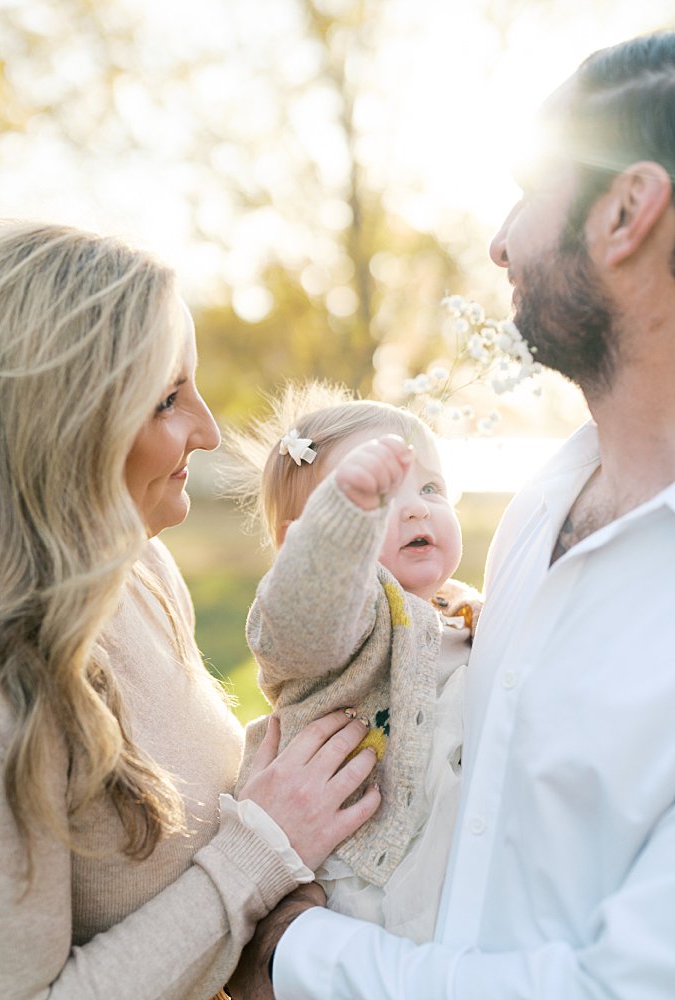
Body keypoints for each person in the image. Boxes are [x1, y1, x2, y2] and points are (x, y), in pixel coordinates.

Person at [228, 29, 675, 999]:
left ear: (628, 211)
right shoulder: (541, 507)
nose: (500, 240)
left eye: (529, 190)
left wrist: (293, 954)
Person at [0, 220, 381, 1000]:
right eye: (169, 399)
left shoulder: (136, 566)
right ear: (65, 429)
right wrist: (259, 851)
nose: (207, 430)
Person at [227, 382, 481, 943]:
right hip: (360, 880)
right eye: (379, 502)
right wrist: (336, 542)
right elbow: (301, 618)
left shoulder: (464, 612)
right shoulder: (348, 616)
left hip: (456, 863)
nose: (417, 506)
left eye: (433, 487)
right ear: (301, 549)